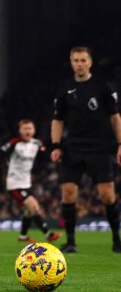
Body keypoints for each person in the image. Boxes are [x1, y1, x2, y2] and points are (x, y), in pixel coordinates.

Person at [50, 46, 121, 253]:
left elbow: (115, 118)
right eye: (75, 60)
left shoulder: (102, 87)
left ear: (90, 62)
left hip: (99, 148)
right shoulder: (64, 88)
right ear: (71, 62)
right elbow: (57, 119)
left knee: (107, 196)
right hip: (73, 147)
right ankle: (71, 242)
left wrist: (120, 144)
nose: (79, 64)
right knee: (68, 192)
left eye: (83, 60)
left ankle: (116, 239)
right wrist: (55, 145)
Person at [0, 119, 61, 243]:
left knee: (28, 211)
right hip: (14, 183)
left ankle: (23, 236)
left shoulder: (37, 143)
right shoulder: (14, 143)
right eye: (25, 129)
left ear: (34, 130)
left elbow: (46, 155)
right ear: (20, 131)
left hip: (27, 182)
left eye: (30, 128)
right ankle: (48, 234)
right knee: (34, 206)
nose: (28, 131)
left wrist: (57, 158)